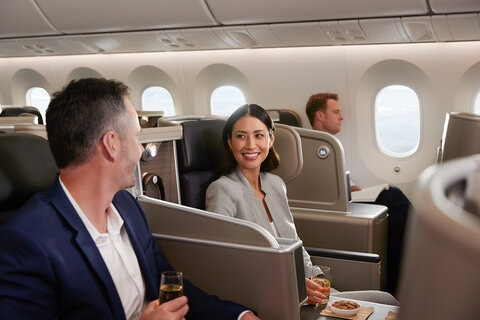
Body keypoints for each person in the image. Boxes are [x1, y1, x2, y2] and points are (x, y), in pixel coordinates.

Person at [0, 78, 260, 320]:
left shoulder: (127, 207)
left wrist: (238, 315)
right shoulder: (27, 241)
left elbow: (168, 286)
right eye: (137, 137)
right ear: (110, 144)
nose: (142, 149)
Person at [205, 103, 399, 306]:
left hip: (307, 292)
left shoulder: (275, 185)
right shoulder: (222, 190)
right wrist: (294, 288)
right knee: (386, 302)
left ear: (271, 139)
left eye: (259, 135)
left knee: (386, 302)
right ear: (229, 142)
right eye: (241, 136)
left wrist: (317, 277)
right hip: (274, 299)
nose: (251, 145)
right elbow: (226, 265)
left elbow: (295, 243)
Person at [305, 92, 412, 295]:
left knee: (398, 214)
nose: (342, 116)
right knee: (397, 202)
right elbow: (320, 190)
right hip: (339, 205)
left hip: (349, 197)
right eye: (336, 111)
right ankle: (398, 284)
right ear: (320, 116)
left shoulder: (328, 146)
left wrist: (353, 187)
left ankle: (401, 280)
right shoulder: (313, 147)